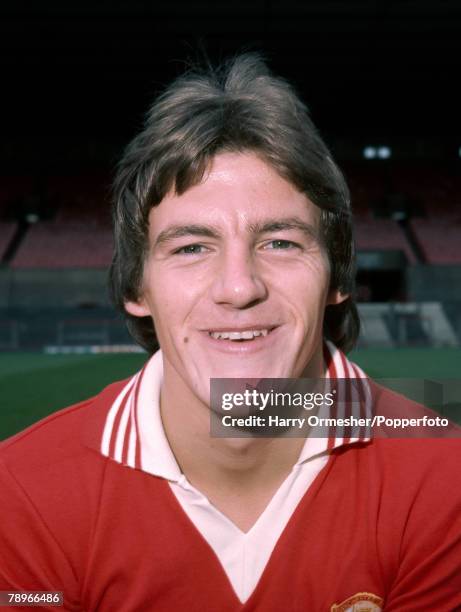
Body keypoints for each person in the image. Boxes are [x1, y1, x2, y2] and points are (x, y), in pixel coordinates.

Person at [1, 53, 460, 612]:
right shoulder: (19, 493)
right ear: (135, 288)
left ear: (338, 277)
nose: (238, 287)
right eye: (192, 247)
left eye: (281, 242)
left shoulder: (445, 474)